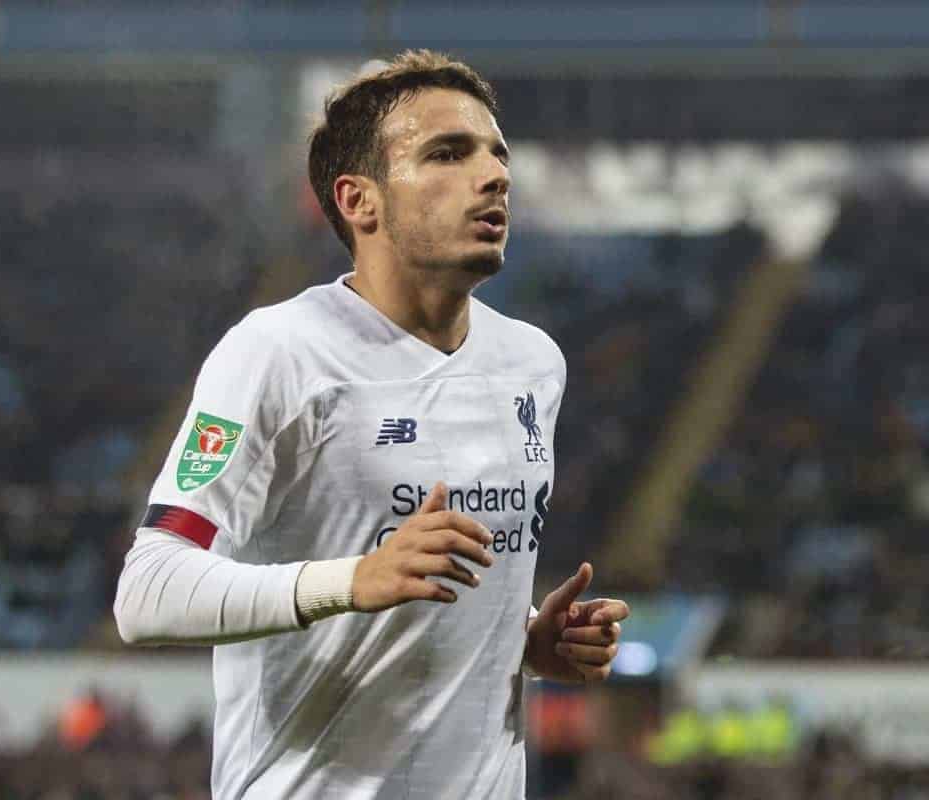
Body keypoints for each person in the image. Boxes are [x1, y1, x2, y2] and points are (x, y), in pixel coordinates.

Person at [114, 49, 630, 800]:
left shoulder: (532, 364)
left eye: (497, 154)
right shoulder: (279, 353)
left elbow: (428, 591)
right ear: (361, 201)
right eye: (447, 154)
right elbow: (147, 592)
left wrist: (523, 641)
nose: (494, 176)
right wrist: (353, 580)